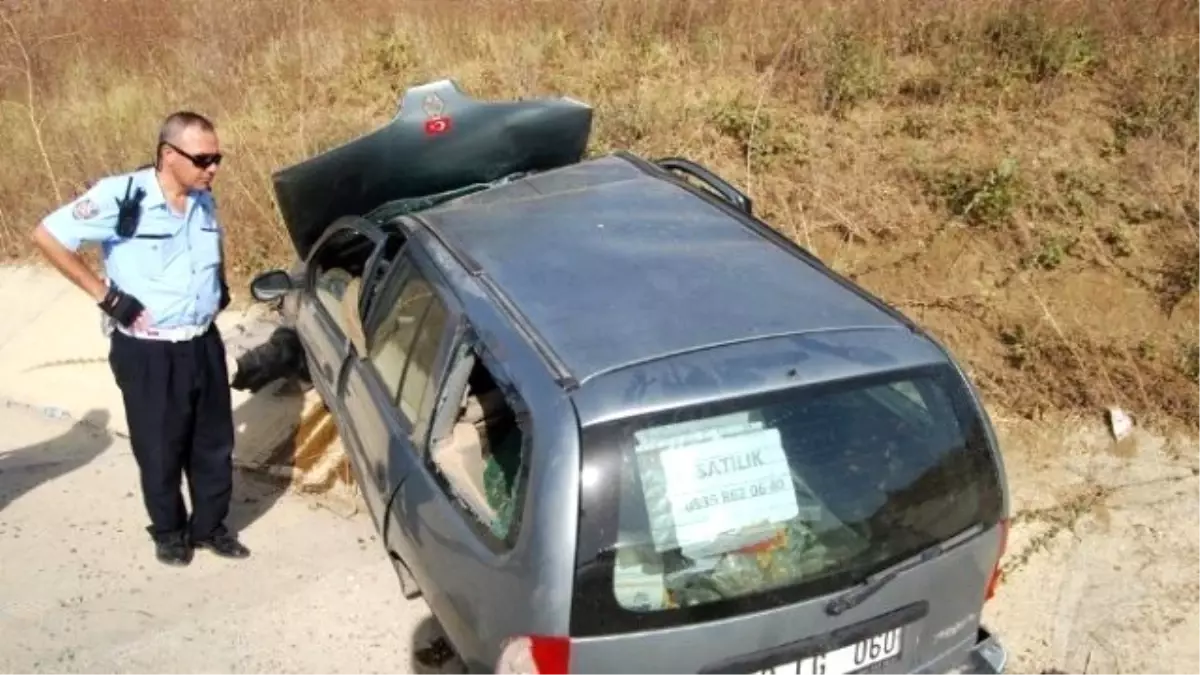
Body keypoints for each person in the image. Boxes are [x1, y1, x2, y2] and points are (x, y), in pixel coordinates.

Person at [30, 111, 250, 566]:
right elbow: (48, 236)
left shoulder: (203, 199)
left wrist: (219, 287)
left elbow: (210, 250)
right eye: (204, 158)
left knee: (213, 444)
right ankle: (169, 531)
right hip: (149, 350)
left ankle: (210, 528)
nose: (214, 168)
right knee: (160, 445)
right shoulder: (122, 196)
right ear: (169, 155)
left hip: (201, 341)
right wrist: (106, 297)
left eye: (218, 158)